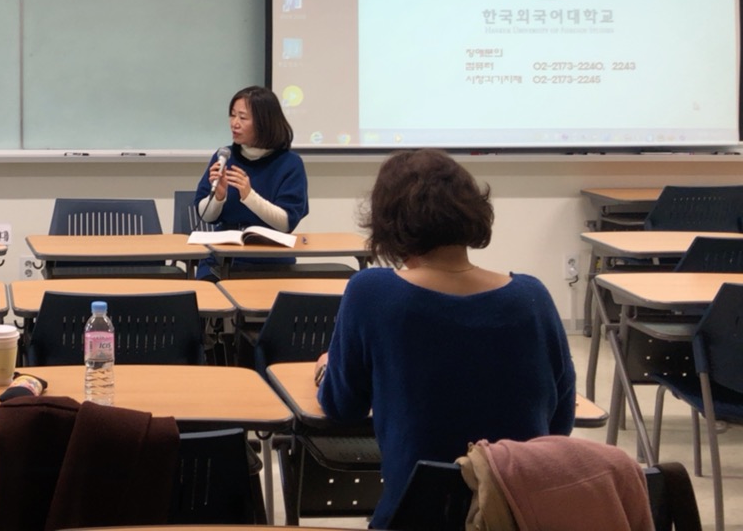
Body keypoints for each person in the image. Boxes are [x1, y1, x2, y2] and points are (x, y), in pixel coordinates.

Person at [316, 149, 575, 527]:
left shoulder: (371, 293)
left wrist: (327, 369)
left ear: (388, 221)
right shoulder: (531, 297)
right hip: (516, 517)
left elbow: (342, 406)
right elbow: (559, 425)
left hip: (414, 517)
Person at [193, 85, 308, 246]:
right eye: (233, 115)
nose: (234, 123)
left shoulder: (290, 163)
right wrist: (218, 197)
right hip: (225, 251)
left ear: (264, 123)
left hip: (270, 253)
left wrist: (249, 196)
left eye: (243, 117)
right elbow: (205, 216)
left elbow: (286, 223)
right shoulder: (224, 157)